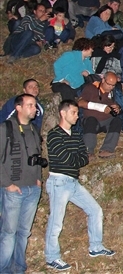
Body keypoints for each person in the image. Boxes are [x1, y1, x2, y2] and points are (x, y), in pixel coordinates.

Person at [45, 100, 115, 271]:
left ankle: (96, 246)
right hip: (59, 181)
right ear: (63, 113)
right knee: (56, 221)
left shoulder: (75, 135)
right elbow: (66, 159)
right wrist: (75, 159)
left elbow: (83, 158)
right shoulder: (54, 134)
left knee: (95, 210)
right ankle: (51, 257)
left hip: (72, 181)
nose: (77, 116)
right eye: (74, 112)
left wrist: (75, 159)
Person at [0, 94, 43, 273]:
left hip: (32, 188)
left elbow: (38, 156)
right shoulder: (5, 128)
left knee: (23, 232)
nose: (35, 109)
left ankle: (18, 267)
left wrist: (38, 179)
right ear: (18, 107)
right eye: (31, 105)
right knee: (9, 233)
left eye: (35, 105)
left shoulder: (33, 129)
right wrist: (7, 184)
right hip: (13, 189)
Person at [77, 72, 123, 159]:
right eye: (109, 84)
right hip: (92, 122)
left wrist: (117, 108)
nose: (111, 87)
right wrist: (100, 107)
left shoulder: (113, 92)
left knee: (117, 121)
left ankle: (107, 149)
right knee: (91, 120)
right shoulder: (91, 88)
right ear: (103, 80)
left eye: (113, 85)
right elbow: (80, 103)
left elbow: (119, 107)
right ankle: (88, 151)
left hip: (106, 122)